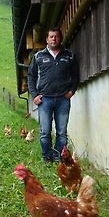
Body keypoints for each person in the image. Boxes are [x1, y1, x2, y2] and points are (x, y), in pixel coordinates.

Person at [27, 28, 79, 163]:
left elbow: (75, 75)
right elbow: (31, 76)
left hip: (63, 99)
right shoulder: (38, 56)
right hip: (45, 100)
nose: (54, 39)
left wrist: (72, 91)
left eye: (56, 36)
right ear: (47, 39)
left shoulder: (69, 55)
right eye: (51, 37)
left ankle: (58, 157)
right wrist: (34, 95)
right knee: (45, 132)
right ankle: (47, 157)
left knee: (62, 132)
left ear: (60, 38)